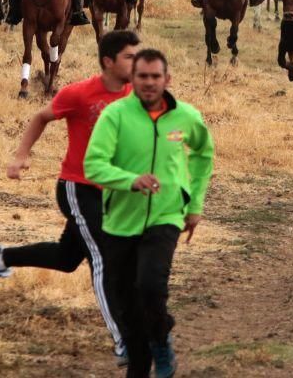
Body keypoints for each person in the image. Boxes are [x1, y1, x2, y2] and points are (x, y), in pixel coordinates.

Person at [0, 30, 140, 367]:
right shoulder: (80, 93)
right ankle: (124, 339)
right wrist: (20, 154)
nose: (136, 62)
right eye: (129, 56)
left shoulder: (134, 94)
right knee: (102, 258)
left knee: (67, 258)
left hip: (112, 192)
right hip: (77, 187)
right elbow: (41, 116)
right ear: (109, 61)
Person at [84, 49, 214, 378]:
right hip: (119, 221)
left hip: (166, 216)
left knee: (151, 286)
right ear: (133, 79)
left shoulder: (185, 116)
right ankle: (143, 357)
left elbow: (203, 152)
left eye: (156, 77)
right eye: (142, 76)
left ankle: (161, 338)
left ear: (167, 79)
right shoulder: (115, 115)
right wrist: (130, 181)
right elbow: (94, 165)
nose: (149, 83)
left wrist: (194, 202)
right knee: (127, 307)